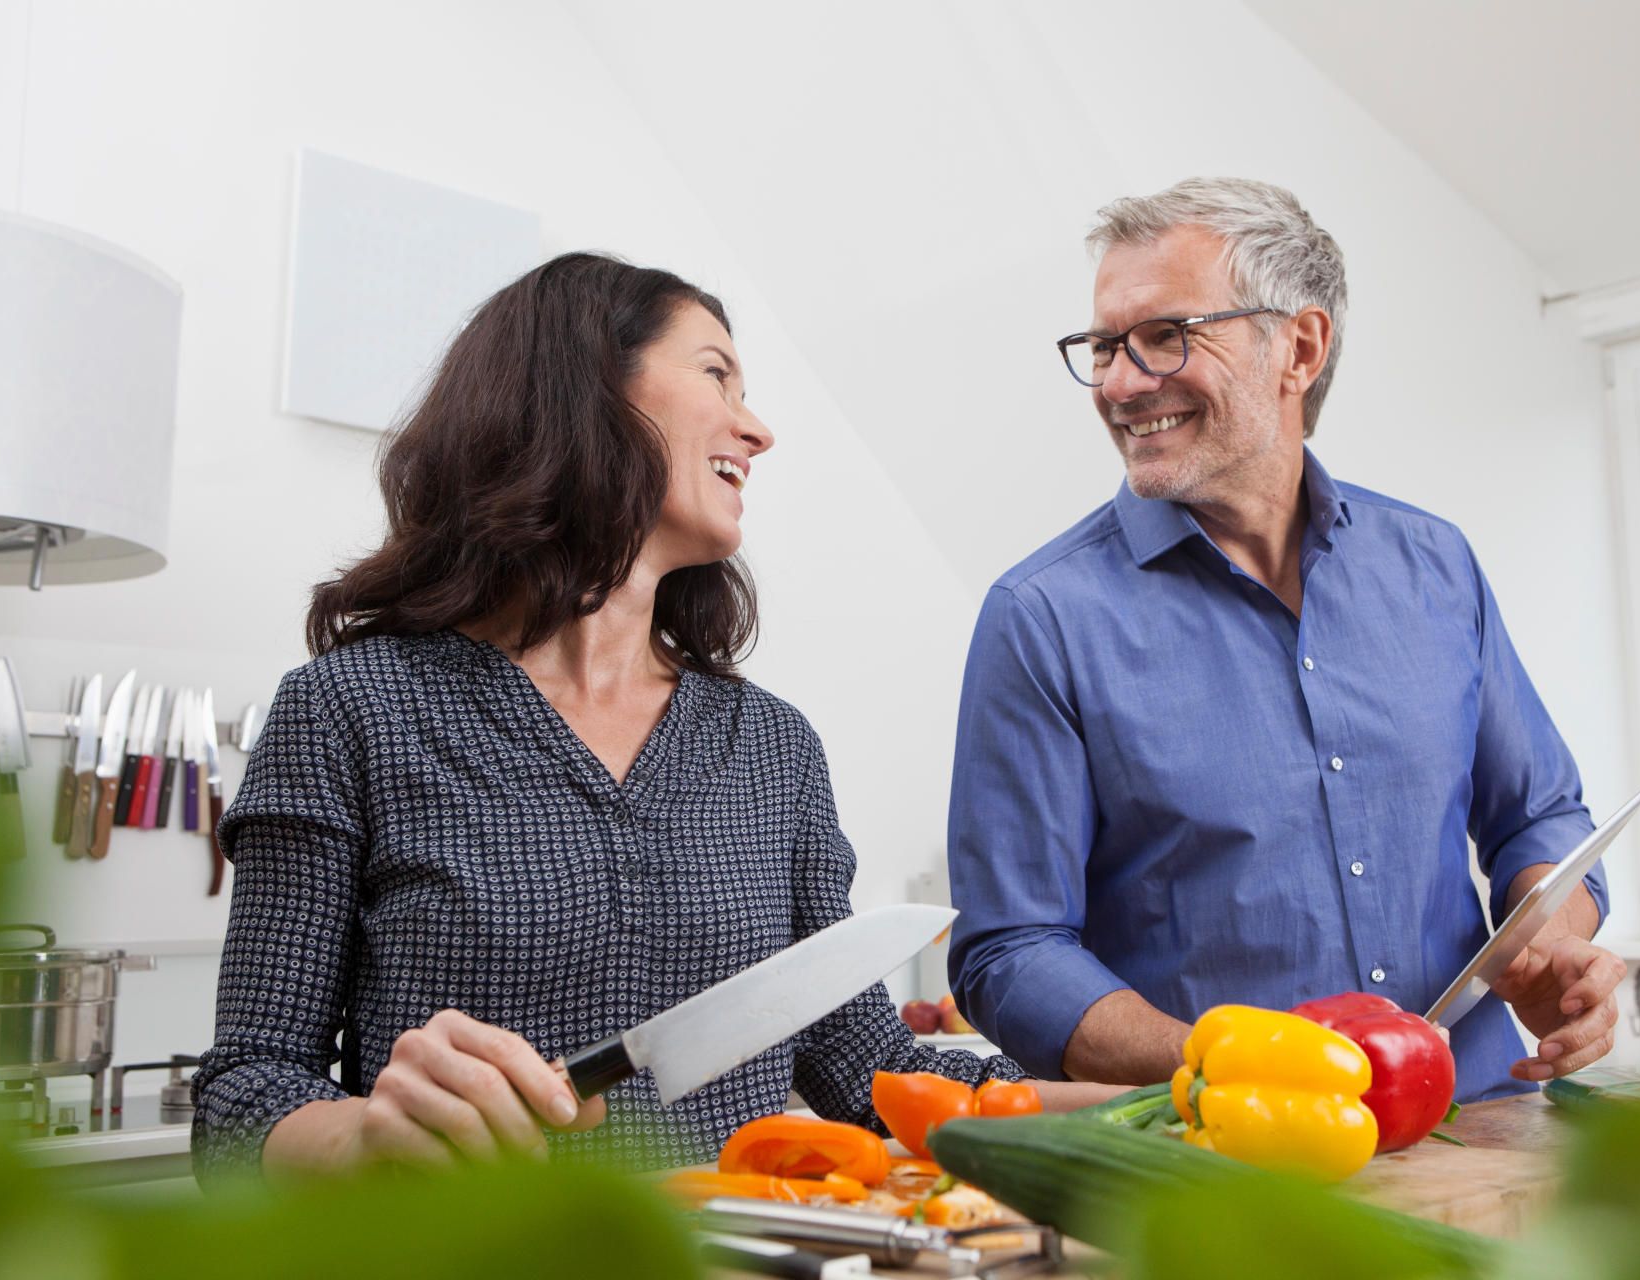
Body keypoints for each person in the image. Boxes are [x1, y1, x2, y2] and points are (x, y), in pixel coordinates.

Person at [193, 253, 1102, 1182]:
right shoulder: (350, 711)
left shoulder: (772, 748)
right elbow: (245, 1095)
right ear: (587, 392)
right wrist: (365, 1139)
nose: (758, 429)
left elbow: (876, 1076)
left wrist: (1163, 1097)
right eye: (718, 375)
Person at [946, 178, 1626, 1106]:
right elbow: (1009, 953)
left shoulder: (1436, 564)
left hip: (1481, 1124)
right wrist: (1226, 1065)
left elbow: (1538, 816)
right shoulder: (1042, 617)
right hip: (1229, 1173)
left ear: (1298, 347)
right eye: (1105, 346)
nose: (1117, 383)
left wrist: (1553, 936)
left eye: (1164, 337)